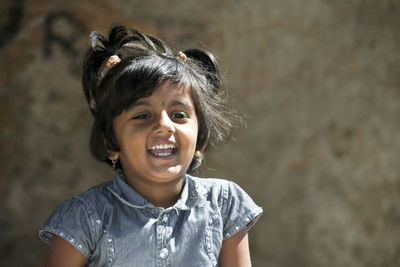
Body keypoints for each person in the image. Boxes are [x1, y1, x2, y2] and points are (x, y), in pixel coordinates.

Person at [39, 25, 263, 267]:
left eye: (179, 115)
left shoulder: (223, 205)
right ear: (110, 142)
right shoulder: (85, 217)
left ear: (201, 140)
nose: (165, 126)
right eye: (142, 115)